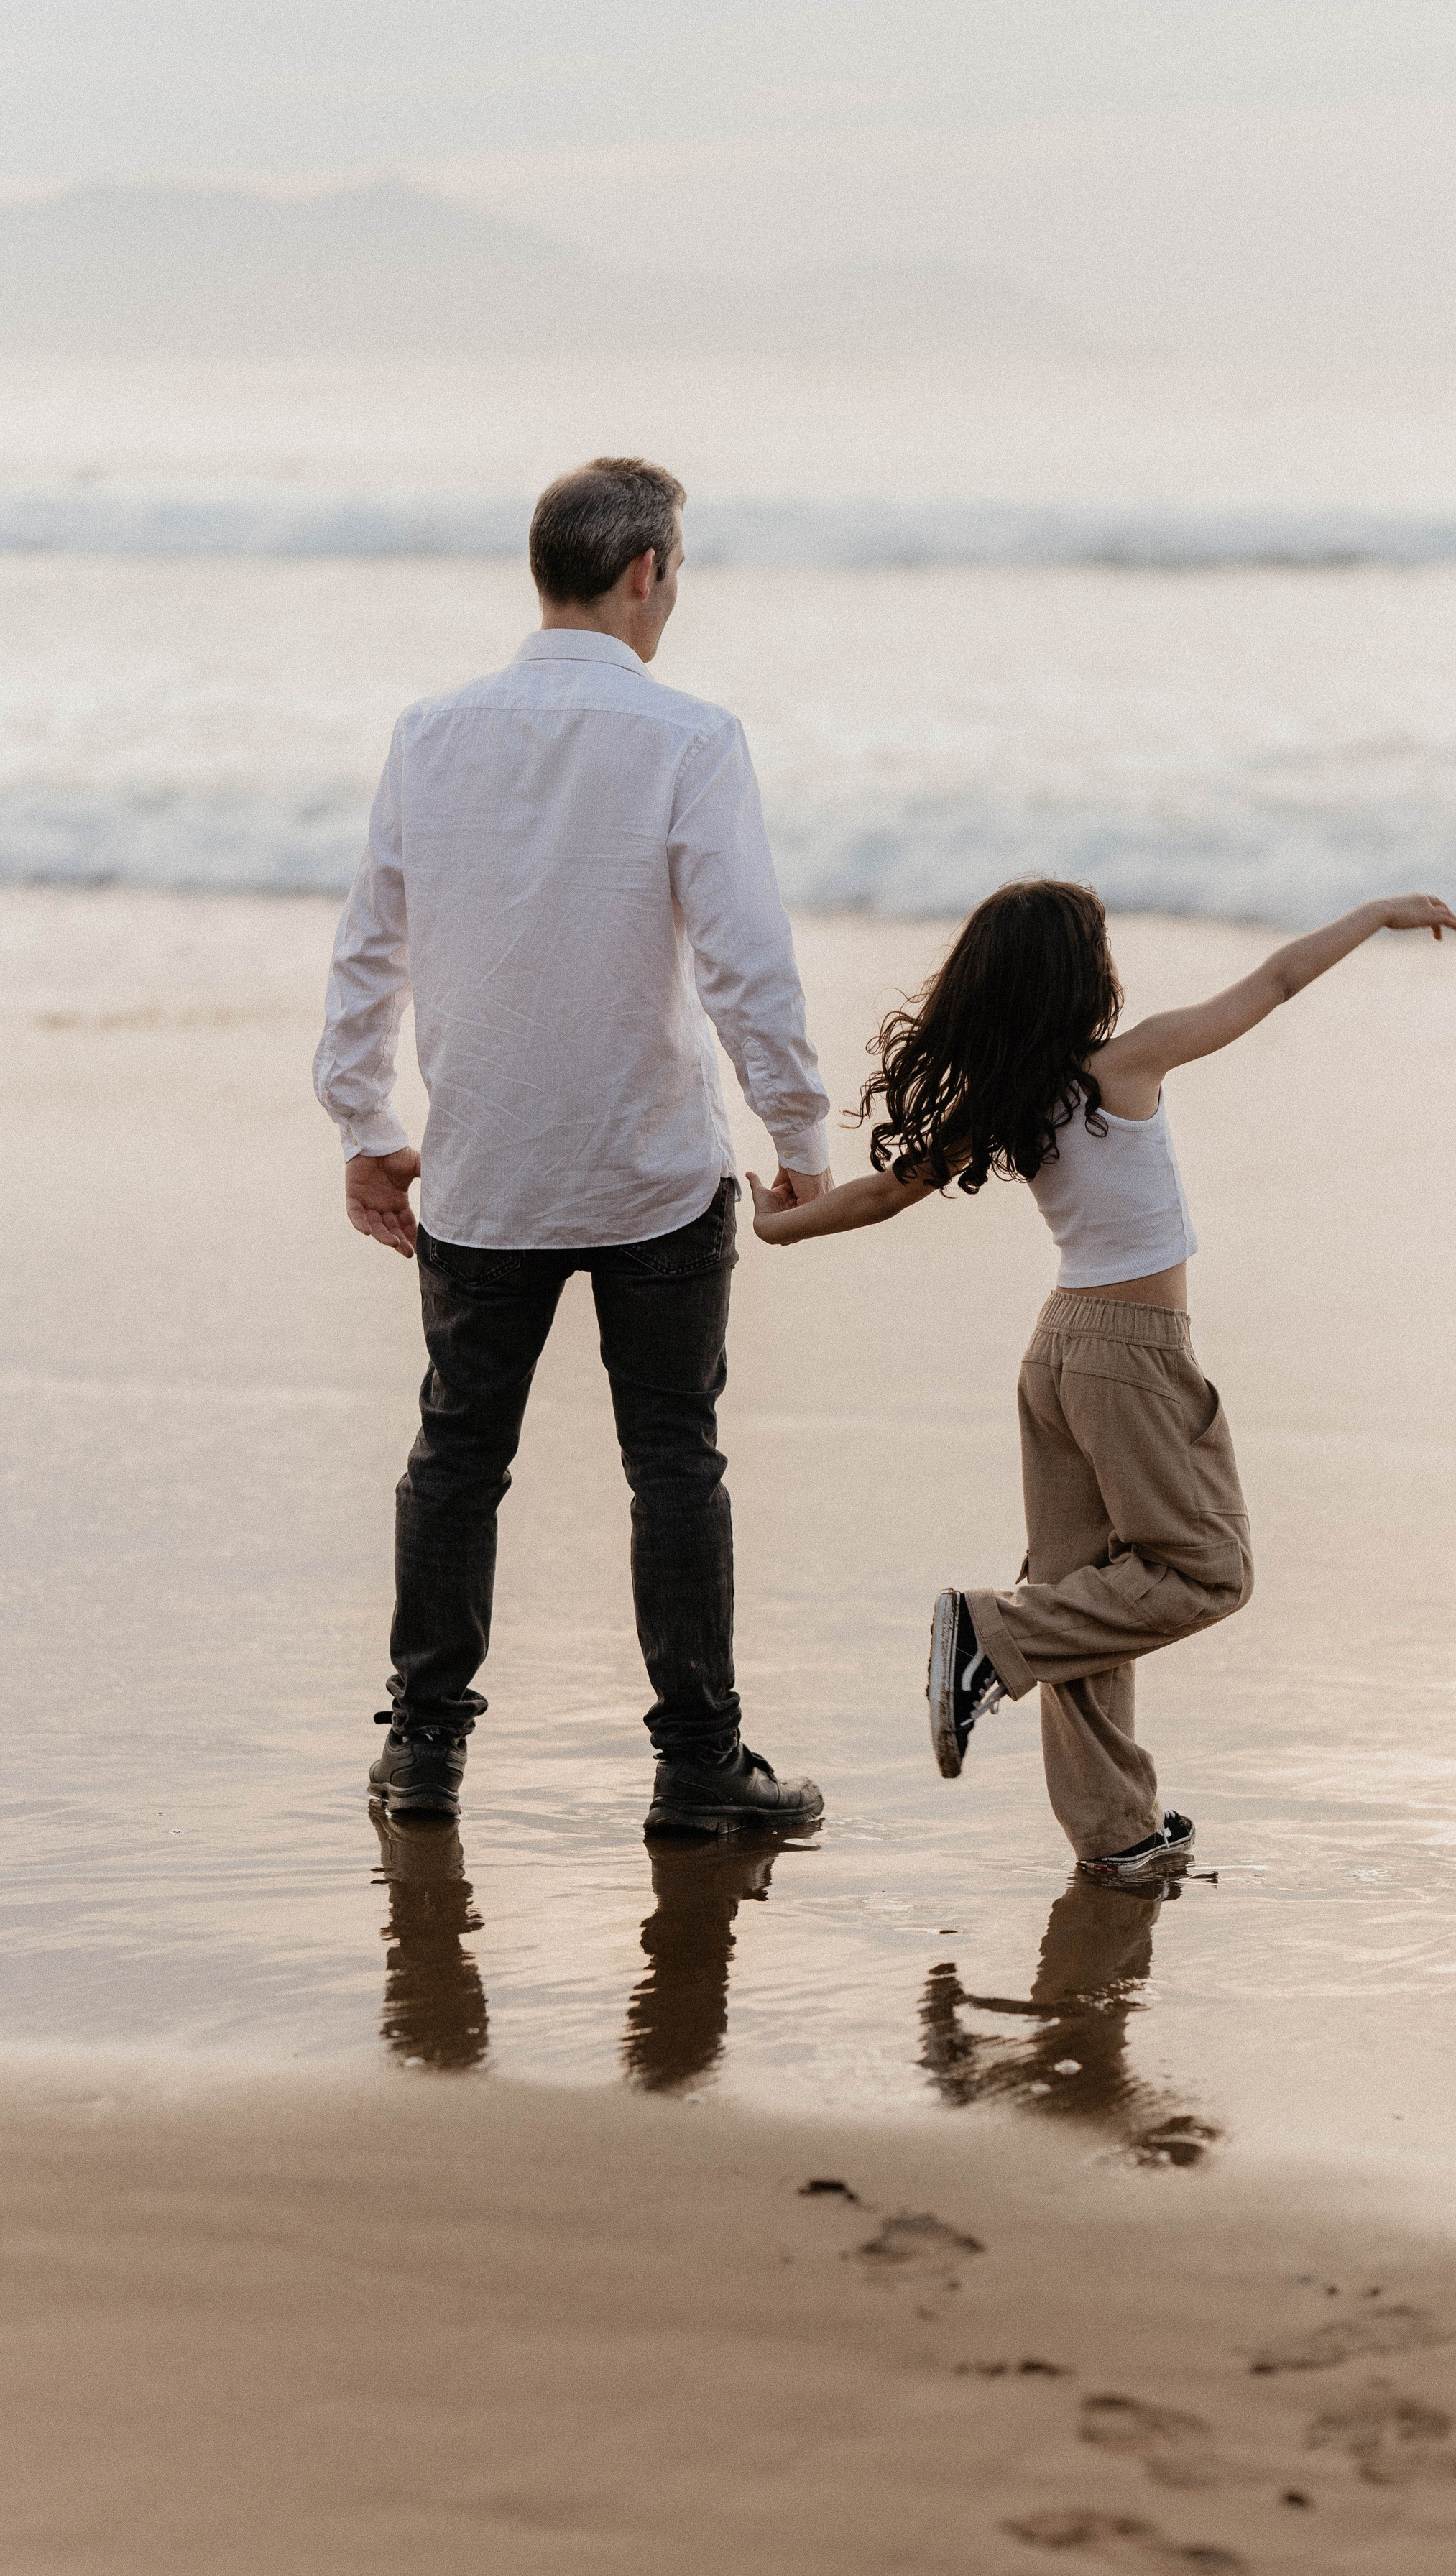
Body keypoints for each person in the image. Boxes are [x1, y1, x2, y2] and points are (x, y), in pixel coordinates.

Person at [747, 879, 1456, 1880]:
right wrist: (1376, 915)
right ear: (1084, 977)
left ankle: (1117, 1829)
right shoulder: (1124, 1064)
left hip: (1059, 1351)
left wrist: (775, 1224)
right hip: (1132, 1350)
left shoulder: (1009, 1098)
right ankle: (990, 1634)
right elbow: (1277, 980)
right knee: (1209, 1571)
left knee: (1089, 1595)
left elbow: (878, 1197)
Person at [313, 456, 831, 1838]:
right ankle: (697, 1769)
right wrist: (797, 1130)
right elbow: (743, 960)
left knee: (456, 1459)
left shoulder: (430, 732)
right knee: (675, 1464)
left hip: (484, 1172)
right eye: (678, 576)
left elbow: (372, 945)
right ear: (648, 572)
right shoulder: (690, 738)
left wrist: (367, 1124)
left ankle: (423, 1755)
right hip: (654, 1172)